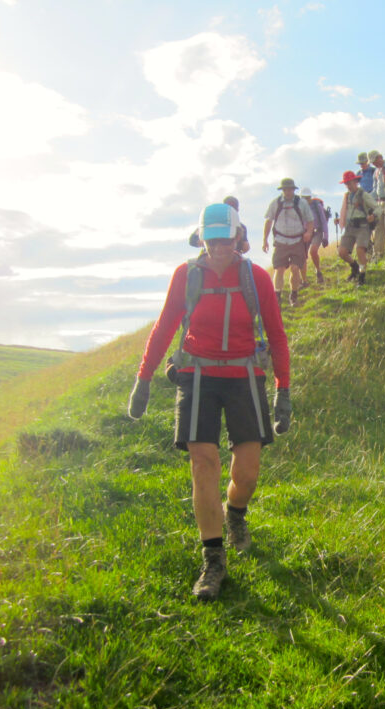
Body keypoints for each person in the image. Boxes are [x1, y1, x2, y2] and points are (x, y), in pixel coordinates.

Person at [127, 202, 291, 601]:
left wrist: (283, 389)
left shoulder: (256, 277)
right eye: (211, 239)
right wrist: (143, 379)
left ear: (238, 238)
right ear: (201, 238)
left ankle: (235, 514)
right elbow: (166, 325)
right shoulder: (186, 276)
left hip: (244, 377)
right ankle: (213, 560)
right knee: (204, 462)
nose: (218, 248)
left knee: (247, 474)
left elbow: (276, 333)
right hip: (197, 376)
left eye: (225, 240)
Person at [263, 178, 314, 307]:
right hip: (281, 241)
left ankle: (294, 295)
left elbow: (310, 220)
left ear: (293, 189)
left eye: (289, 189)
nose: (287, 192)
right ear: (282, 190)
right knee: (279, 269)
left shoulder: (301, 203)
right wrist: (265, 240)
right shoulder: (275, 203)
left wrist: (308, 232)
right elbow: (268, 221)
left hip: (297, 240)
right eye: (285, 189)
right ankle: (277, 296)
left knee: (295, 268)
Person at [337, 170, 378, 286]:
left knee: (360, 250)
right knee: (342, 252)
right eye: (347, 183)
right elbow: (345, 212)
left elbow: (377, 208)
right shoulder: (347, 196)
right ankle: (354, 267)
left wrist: (373, 216)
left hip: (363, 226)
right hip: (350, 227)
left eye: (350, 182)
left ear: (356, 182)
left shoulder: (363, 194)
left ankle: (362, 276)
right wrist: (341, 220)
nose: (349, 186)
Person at [299, 188, 329, 285]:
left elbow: (323, 221)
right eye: (303, 198)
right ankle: (304, 281)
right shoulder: (299, 208)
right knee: (302, 256)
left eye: (307, 198)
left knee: (313, 251)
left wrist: (326, 237)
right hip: (304, 233)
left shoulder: (317, 206)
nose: (305, 200)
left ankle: (318, 271)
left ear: (310, 197)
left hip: (317, 232)